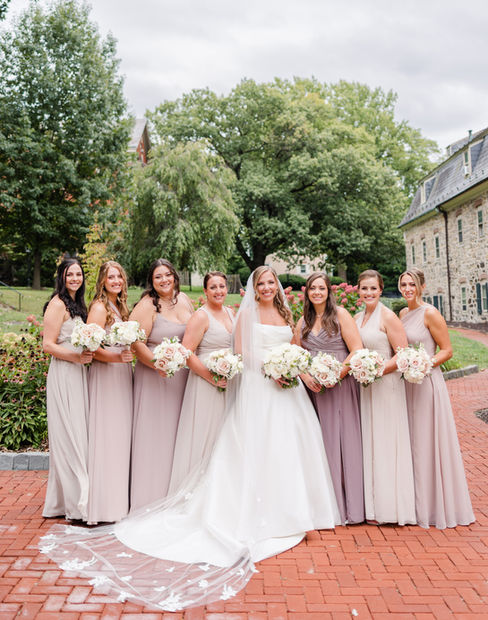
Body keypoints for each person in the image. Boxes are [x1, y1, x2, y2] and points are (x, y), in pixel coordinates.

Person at [39, 266, 340, 610]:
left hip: (287, 392)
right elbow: (240, 353)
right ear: (252, 288)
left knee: (288, 450)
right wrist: (269, 369)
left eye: (272, 282)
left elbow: (293, 347)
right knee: (255, 449)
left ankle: (295, 510)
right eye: (262, 282)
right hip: (256, 388)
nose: (268, 286)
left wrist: (294, 368)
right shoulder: (237, 315)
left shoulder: (278, 314)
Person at [398, 267, 475, 529]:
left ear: (422, 286)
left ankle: (435, 506)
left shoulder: (430, 313)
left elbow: (447, 350)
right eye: (403, 284)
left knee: (427, 441)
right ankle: (416, 503)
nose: (407, 289)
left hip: (428, 383)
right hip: (408, 384)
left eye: (412, 284)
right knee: (413, 442)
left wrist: (424, 364)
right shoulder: (403, 314)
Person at [295, 271, 365, 524]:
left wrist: (336, 374)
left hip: (340, 386)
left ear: (328, 291)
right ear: (307, 292)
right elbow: (295, 353)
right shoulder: (303, 320)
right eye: (312, 288)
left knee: (343, 440)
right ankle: (326, 506)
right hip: (314, 390)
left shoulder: (340, 315)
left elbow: (357, 349)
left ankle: (349, 506)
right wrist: (305, 377)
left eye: (321, 288)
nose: (317, 292)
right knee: (320, 443)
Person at [129, 258, 194, 509]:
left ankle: (177, 494)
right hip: (154, 379)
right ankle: (150, 497)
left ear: (175, 276)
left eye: (167, 275)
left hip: (182, 378)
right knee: (156, 435)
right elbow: (136, 344)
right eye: (158, 276)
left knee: (178, 435)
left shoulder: (184, 299)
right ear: (151, 281)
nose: (164, 280)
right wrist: (158, 365)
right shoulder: (146, 305)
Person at [355, 269, 415, 525]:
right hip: (366, 387)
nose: (368, 293)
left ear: (381, 290)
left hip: (386, 386)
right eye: (364, 288)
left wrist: (377, 371)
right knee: (370, 442)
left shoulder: (388, 317)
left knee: (386, 442)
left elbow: (403, 354)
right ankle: (373, 507)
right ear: (358, 290)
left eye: (373, 288)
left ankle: (391, 509)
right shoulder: (357, 318)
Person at [168, 271, 233, 493]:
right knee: (206, 434)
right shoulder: (201, 316)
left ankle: (222, 490)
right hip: (206, 384)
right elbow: (186, 353)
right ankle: (198, 491)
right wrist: (210, 376)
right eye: (213, 287)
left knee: (224, 435)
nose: (218, 291)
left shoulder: (231, 313)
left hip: (228, 383)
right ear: (205, 291)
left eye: (221, 286)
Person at [42, 257, 92, 521]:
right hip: (64, 373)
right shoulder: (57, 304)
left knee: (79, 433)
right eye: (70, 274)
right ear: (62, 277)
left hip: (79, 374)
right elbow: (48, 345)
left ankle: (73, 497)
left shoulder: (78, 305)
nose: (75, 278)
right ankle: (74, 503)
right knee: (68, 435)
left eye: (78, 274)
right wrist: (75, 357)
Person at [86, 261, 134, 523]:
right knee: (108, 434)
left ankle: (119, 501)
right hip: (106, 375)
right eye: (111, 277)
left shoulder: (120, 306)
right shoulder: (98, 308)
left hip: (122, 374)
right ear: (102, 281)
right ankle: (104, 506)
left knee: (120, 435)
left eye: (119, 277)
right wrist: (116, 358)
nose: (116, 281)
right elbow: (91, 348)